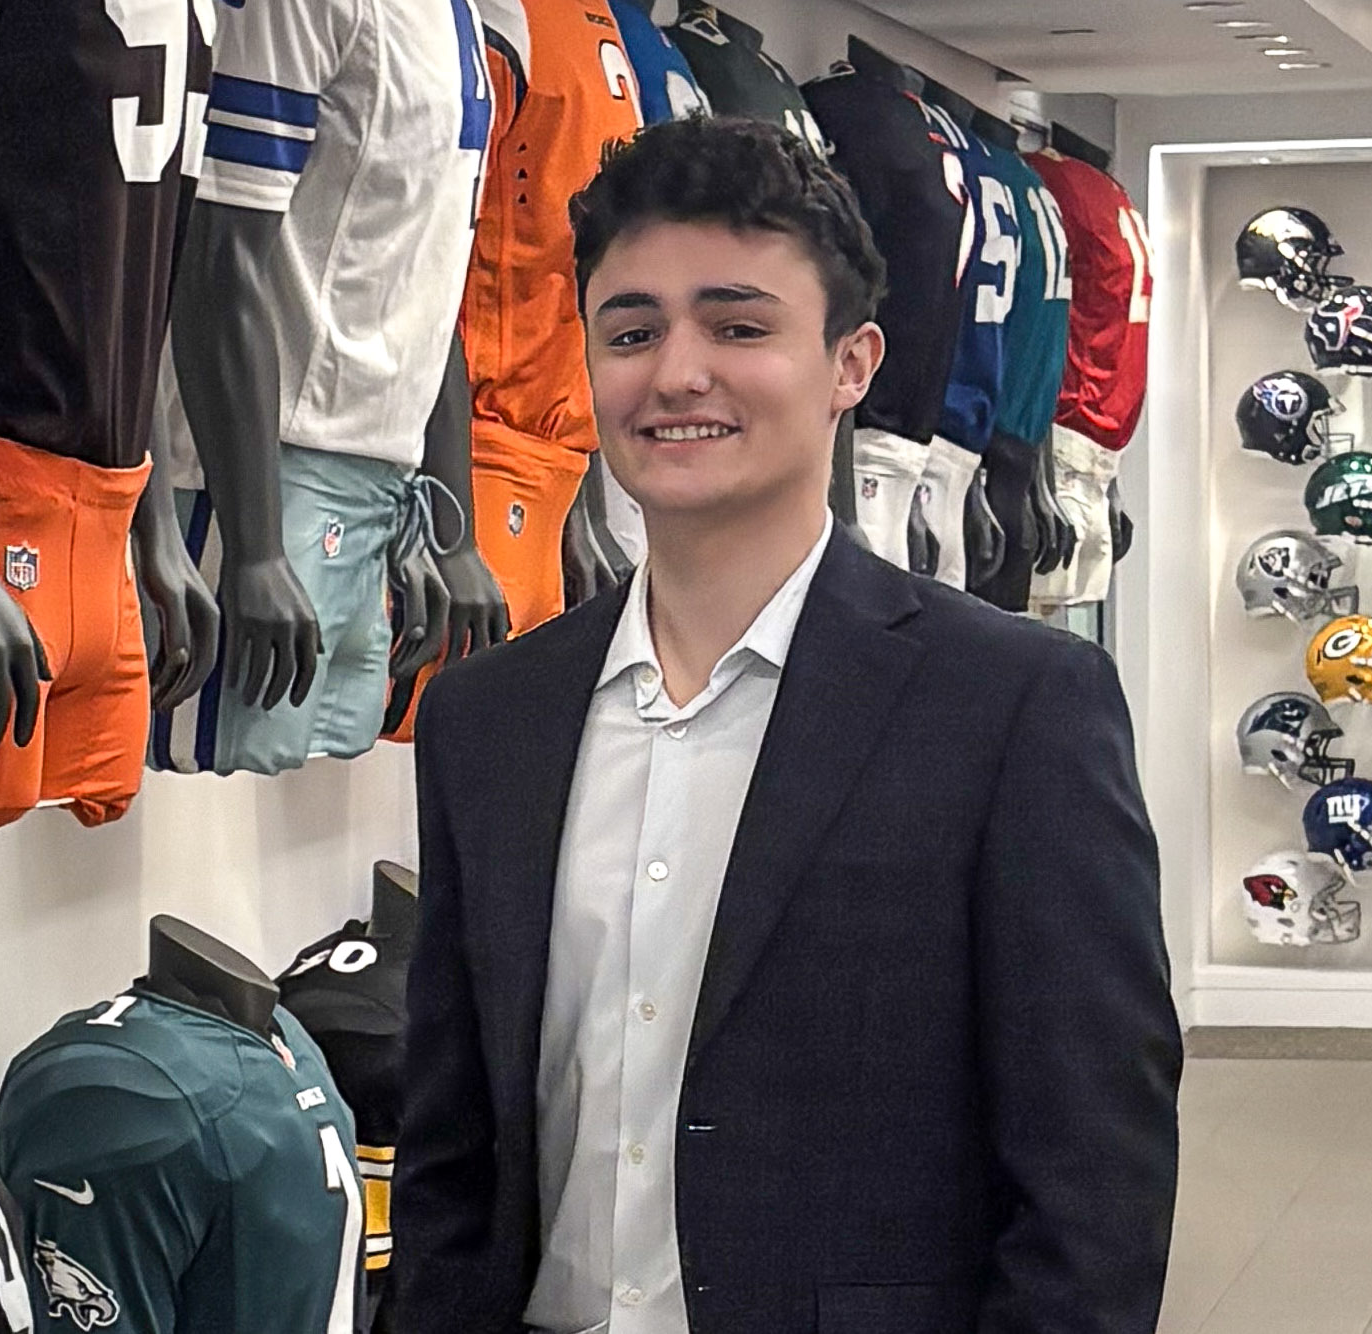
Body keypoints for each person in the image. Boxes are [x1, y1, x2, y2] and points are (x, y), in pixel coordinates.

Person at [400, 116, 1180, 1334]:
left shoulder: (1012, 707)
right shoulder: (485, 719)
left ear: (851, 363)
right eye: (633, 329)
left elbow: (1093, 1179)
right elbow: (454, 1144)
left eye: (739, 325)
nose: (677, 373)